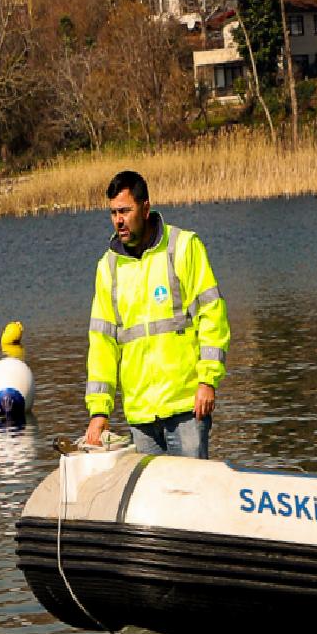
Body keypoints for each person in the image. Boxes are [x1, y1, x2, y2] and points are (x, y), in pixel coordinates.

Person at [80, 171, 229, 458]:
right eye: (113, 213)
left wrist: (207, 380)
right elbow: (102, 343)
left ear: (145, 208)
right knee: (152, 502)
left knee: (190, 495)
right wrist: (99, 410)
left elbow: (212, 315)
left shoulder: (183, 247)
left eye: (125, 210)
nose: (118, 220)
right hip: (141, 416)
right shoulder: (108, 267)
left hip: (187, 407)